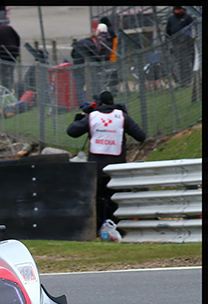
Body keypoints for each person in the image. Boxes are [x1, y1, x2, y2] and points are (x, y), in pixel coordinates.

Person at [67, 90, 147, 233]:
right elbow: (141, 136)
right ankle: (119, 227)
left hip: (96, 167)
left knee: (97, 198)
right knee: (117, 199)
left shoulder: (92, 116)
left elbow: (72, 131)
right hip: (117, 167)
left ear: (99, 103)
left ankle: (98, 227)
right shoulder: (122, 116)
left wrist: (80, 117)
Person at [165, 6, 195, 87]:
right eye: (175, 10)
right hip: (175, 43)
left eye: (178, 10)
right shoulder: (171, 19)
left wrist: (188, 33)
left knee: (186, 62)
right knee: (178, 63)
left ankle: (187, 80)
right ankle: (180, 81)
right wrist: (168, 41)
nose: (177, 12)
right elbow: (168, 31)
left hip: (185, 43)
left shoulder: (186, 17)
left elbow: (194, 24)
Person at [70, 35, 100, 104]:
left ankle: (80, 103)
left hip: (76, 66)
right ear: (94, 39)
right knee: (91, 84)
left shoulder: (78, 43)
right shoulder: (91, 45)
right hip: (87, 68)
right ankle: (92, 100)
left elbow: (72, 54)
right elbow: (95, 57)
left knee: (79, 86)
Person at [0, 21, 20, 91]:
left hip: (2, 54)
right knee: (10, 71)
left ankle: (6, 89)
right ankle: (10, 87)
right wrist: (16, 47)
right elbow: (18, 38)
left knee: (3, 72)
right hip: (13, 52)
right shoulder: (9, 28)